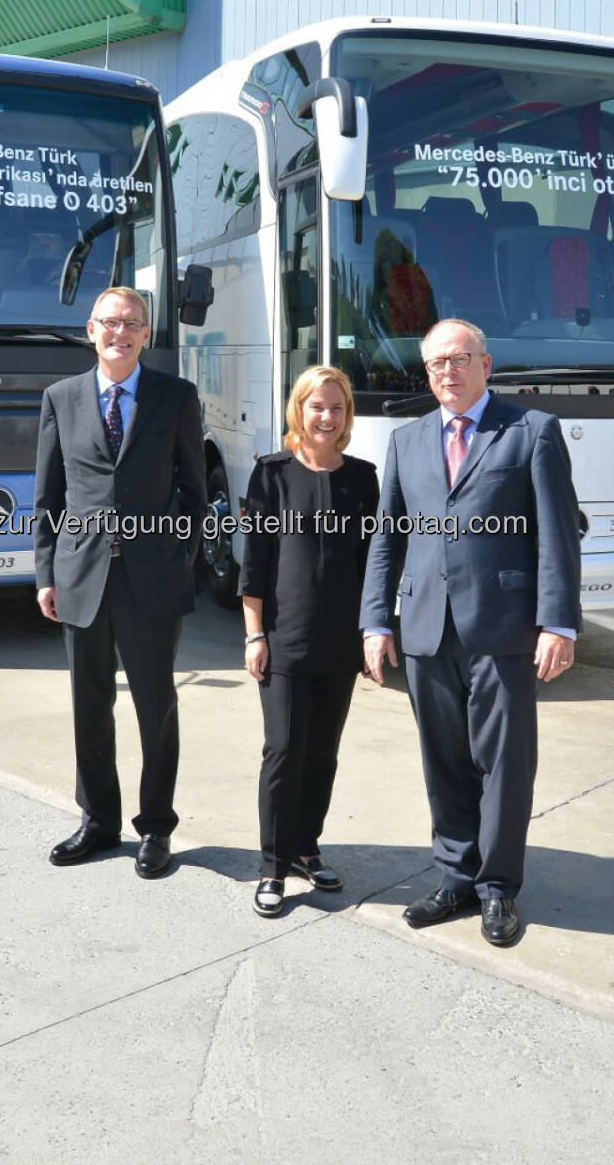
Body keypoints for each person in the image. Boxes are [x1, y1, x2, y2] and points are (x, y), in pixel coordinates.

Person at [360, 319, 581, 946]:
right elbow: (387, 540)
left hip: (504, 628)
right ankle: (454, 878)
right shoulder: (406, 441)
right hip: (427, 628)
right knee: (445, 762)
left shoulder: (531, 431)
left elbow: (558, 535)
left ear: (487, 364)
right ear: (425, 374)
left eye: (460, 360)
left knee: (506, 765)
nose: (448, 372)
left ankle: (497, 889)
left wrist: (557, 622)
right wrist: (376, 620)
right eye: (436, 364)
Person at [34, 286, 207, 879]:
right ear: (91, 329)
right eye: (111, 321)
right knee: (90, 705)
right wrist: (44, 574)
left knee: (156, 707)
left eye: (133, 323)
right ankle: (98, 821)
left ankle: (156, 827)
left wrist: (176, 556)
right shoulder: (61, 398)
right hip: (81, 576)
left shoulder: (176, 397)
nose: (121, 332)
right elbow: (48, 496)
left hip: (152, 581)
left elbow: (194, 492)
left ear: (145, 333)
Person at [239, 366, 379, 918]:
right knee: (283, 752)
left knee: (322, 754)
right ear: (300, 409)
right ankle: (271, 866)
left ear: (347, 416)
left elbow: (374, 564)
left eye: (337, 408)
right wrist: (255, 635)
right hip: (283, 638)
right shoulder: (272, 474)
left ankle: (305, 848)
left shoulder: (363, 478)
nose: (327, 417)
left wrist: (374, 632)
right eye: (317, 406)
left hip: (340, 641)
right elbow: (255, 565)